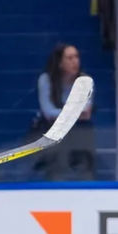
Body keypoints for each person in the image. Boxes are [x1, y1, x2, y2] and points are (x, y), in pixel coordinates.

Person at [34, 43, 95, 181]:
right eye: (70, 58)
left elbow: (86, 112)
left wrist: (62, 114)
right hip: (53, 131)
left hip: (78, 131)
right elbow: (48, 112)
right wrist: (74, 113)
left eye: (77, 57)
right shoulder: (46, 79)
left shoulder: (85, 81)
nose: (75, 61)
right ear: (60, 63)